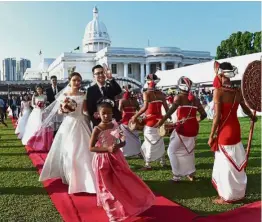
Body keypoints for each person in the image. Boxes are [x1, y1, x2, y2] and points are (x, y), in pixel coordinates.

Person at [89, 98, 155, 222]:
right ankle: (112, 213)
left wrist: (117, 146)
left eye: (109, 113)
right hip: (102, 160)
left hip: (116, 158)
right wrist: (107, 148)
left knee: (122, 181)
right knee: (106, 186)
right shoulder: (97, 129)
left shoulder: (115, 125)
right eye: (104, 113)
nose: (107, 115)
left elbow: (122, 141)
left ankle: (133, 202)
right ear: (98, 114)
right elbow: (91, 147)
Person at [208, 61, 257, 204]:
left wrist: (211, 136)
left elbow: (217, 117)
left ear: (221, 74)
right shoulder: (237, 91)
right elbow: (246, 108)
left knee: (225, 165)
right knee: (234, 161)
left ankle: (228, 196)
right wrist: (252, 116)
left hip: (225, 132)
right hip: (235, 130)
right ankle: (238, 192)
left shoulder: (219, 91)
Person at [39, 72, 96, 194]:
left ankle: (86, 180)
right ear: (70, 81)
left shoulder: (83, 94)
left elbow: (85, 111)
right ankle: (72, 178)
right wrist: (64, 109)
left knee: (83, 151)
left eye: (79, 81)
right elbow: (59, 112)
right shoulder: (64, 95)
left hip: (81, 123)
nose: (77, 83)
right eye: (74, 80)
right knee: (70, 151)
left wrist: (92, 119)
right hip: (69, 124)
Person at [156, 76, 207, 182]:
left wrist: (161, 121)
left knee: (171, 151)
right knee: (188, 151)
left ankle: (176, 176)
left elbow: (170, 111)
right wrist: (195, 120)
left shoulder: (178, 97)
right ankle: (191, 173)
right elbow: (204, 114)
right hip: (193, 128)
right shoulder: (196, 99)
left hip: (183, 129)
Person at [131, 74, 169, 170]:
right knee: (159, 141)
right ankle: (163, 161)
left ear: (147, 82)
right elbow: (167, 109)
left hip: (150, 122)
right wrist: (164, 119)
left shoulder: (146, 93)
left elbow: (144, 108)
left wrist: (135, 116)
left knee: (149, 143)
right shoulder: (161, 94)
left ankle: (148, 164)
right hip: (159, 121)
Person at [118, 85, 141, 157]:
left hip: (125, 121)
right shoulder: (135, 100)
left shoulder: (122, 100)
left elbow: (119, 110)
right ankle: (137, 151)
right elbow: (139, 110)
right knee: (135, 137)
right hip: (134, 121)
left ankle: (126, 153)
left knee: (125, 138)